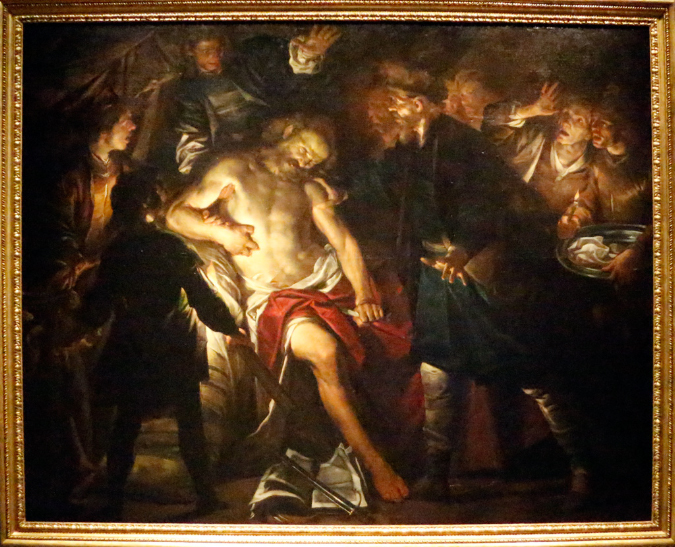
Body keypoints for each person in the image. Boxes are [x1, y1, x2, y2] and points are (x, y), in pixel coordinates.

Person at [165, 115, 411, 503]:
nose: (306, 160)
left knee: (393, 335)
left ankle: (374, 446)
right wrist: (220, 232)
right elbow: (176, 214)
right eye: (303, 147)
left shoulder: (309, 188)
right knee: (324, 351)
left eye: (315, 159)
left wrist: (364, 293)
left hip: (325, 283)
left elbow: (344, 243)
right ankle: (375, 463)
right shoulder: (233, 170)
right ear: (287, 131)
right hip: (276, 297)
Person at [372, 84, 594, 504]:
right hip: (434, 272)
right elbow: (389, 199)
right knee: (437, 365)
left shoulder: (462, 142)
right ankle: (437, 472)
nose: (391, 108)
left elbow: (488, 201)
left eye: (398, 100)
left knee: (528, 367)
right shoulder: (403, 149)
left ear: (420, 103)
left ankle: (583, 467)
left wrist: (465, 246)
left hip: (480, 270)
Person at [77, 173, 249, 518]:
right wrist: (229, 327)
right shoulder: (169, 246)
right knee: (187, 422)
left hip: (134, 343)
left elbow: (100, 304)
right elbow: (201, 296)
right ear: (149, 207)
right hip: (172, 345)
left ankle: (114, 502)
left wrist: (81, 324)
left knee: (127, 424)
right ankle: (204, 497)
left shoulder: (118, 251)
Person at [175, 26, 341, 174]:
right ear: (191, 51)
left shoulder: (248, 62)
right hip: (243, 152)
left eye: (219, 49)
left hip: (282, 134)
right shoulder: (192, 90)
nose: (215, 56)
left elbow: (285, 74)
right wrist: (197, 174)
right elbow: (192, 134)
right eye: (206, 51)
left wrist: (306, 55)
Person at [482, 84, 599, 238]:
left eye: (578, 120)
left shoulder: (594, 164)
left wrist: (575, 219)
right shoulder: (533, 139)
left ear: (590, 133)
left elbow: (587, 204)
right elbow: (489, 120)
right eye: (565, 113)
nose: (565, 122)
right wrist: (532, 110)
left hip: (558, 238)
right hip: (514, 229)